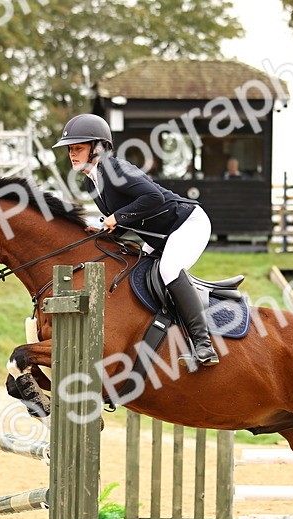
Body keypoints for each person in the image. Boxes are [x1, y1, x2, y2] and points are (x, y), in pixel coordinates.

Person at [53, 113, 219, 366]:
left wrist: (115, 218)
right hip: (161, 233)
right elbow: (129, 217)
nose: (72, 154)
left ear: (97, 148)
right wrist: (104, 231)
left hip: (187, 224)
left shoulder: (115, 168)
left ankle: (203, 344)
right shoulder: (92, 182)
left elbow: (154, 198)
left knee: (169, 270)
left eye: (78, 148)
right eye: (70, 149)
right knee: (139, 271)